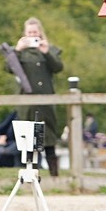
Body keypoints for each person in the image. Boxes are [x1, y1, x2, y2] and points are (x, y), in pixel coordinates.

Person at [11, 17, 63, 176]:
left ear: (40, 33)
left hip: (46, 101)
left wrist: (46, 53)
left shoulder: (49, 49)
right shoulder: (20, 52)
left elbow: (58, 67)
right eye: (29, 32)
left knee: (49, 139)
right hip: (28, 101)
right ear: (24, 34)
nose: (32, 35)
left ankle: (54, 176)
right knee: (28, 140)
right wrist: (17, 50)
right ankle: (30, 176)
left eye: (35, 32)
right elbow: (9, 67)